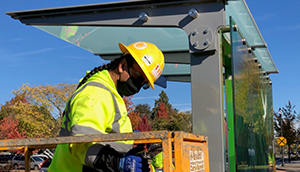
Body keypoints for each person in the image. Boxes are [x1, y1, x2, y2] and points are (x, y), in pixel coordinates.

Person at [48, 41, 165, 172]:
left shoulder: (110, 94)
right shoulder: (96, 93)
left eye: (143, 84)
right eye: (138, 78)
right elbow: (80, 144)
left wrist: (133, 138)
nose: (137, 87)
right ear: (123, 65)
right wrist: (118, 163)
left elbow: (106, 132)